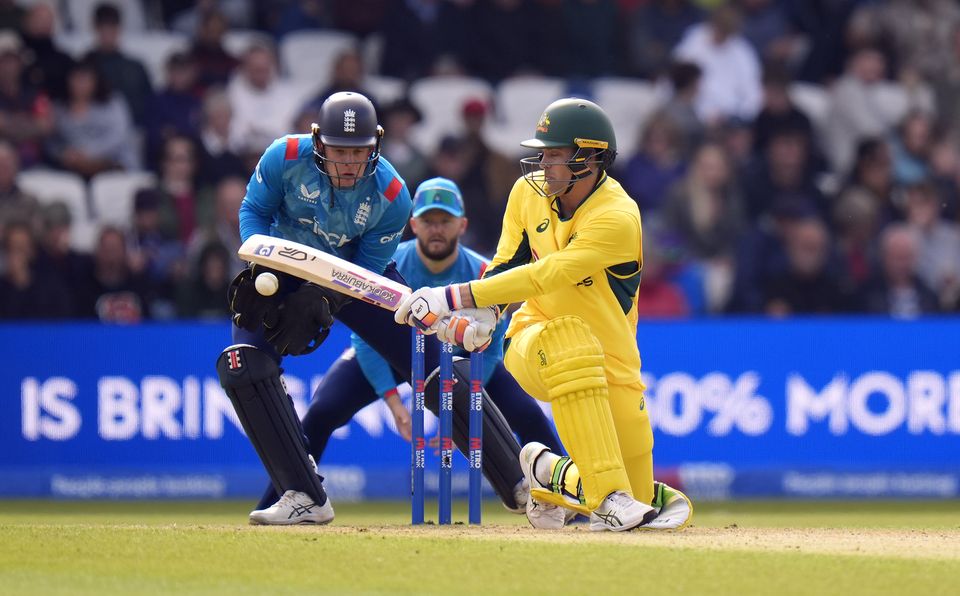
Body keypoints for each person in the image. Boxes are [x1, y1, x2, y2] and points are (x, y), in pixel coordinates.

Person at [221, 92, 551, 525]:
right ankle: (303, 496)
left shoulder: (393, 194)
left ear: (375, 145)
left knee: (437, 368)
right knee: (243, 366)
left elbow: (366, 270)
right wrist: (263, 266)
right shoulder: (283, 156)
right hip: (281, 267)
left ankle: (515, 480)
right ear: (319, 141)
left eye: (358, 153)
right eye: (339, 151)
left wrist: (324, 296)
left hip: (355, 276)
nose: (348, 165)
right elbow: (253, 212)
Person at [394, 98, 693, 532]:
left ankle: (548, 473)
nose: (542, 164)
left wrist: (453, 297)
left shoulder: (617, 216)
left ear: (589, 158)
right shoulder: (526, 193)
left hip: (614, 361)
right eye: (543, 153)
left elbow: (547, 273)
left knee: (643, 502)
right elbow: (508, 263)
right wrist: (488, 312)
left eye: (553, 155)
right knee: (570, 340)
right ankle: (606, 497)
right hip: (535, 340)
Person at [252, 177, 563, 513]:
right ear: (413, 224)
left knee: (528, 414)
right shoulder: (392, 261)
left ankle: (568, 497)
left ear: (462, 225)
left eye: (445, 221)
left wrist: (462, 408)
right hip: (387, 353)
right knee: (322, 412)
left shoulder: (483, 271)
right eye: (428, 221)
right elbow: (366, 337)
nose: (436, 230)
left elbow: (488, 350)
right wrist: (395, 404)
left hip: (458, 358)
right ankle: (289, 498)